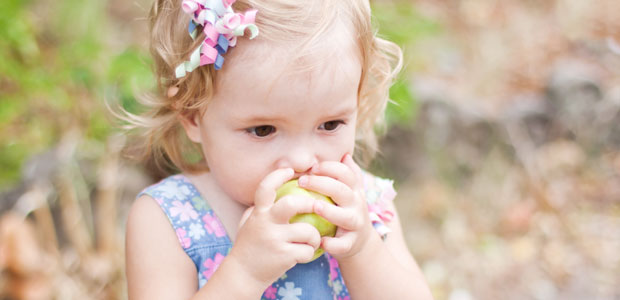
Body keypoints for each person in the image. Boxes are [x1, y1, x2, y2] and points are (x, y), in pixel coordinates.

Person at [124, 0, 433, 299]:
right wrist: (244, 273)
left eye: (330, 124)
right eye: (263, 130)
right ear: (192, 115)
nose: (302, 160)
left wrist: (363, 249)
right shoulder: (168, 220)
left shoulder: (366, 206)